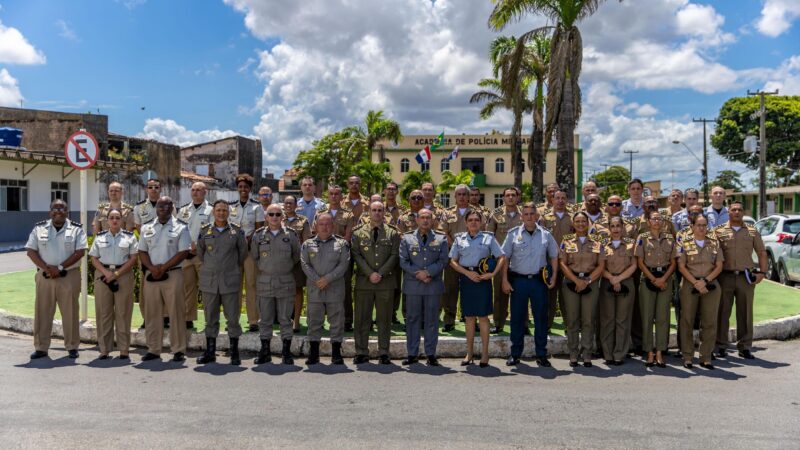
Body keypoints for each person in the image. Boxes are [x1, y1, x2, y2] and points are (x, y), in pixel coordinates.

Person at [26, 199, 88, 359]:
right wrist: (48, 269)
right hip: (45, 277)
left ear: (67, 212)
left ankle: (72, 346)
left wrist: (59, 268)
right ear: (50, 212)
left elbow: (80, 252)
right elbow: (31, 251)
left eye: (62, 208)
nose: (58, 211)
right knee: (42, 312)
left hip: (68, 276)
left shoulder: (77, 229)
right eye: (55, 208)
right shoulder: (39, 228)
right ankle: (41, 347)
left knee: (71, 312)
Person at [501, 202, 558, 367]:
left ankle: (541, 354)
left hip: (539, 282)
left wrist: (553, 276)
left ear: (537, 216)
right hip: (518, 281)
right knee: (517, 319)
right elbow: (505, 258)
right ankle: (515, 354)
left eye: (532, 214)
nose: (529, 217)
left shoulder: (546, 235)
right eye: (526, 214)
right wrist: (504, 279)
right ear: (521, 217)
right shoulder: (512, 234)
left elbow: (554, 256)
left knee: (541, 318)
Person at [449, 209, 506, 368]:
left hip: (483, 279)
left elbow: (501, 256)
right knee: (468, 317)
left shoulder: (489, 238)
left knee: (483, 318)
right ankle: (469, 353)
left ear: (481, 222)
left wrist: (493, 274)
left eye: (476, 220)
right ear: (466, 223)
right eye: (470, 220)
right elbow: (453, 261)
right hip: (467, 279)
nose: (473, 222)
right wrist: (467, 273)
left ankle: (485, 354)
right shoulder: (459, 239)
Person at [138, 196, 191, 362]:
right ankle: (154, 349)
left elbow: (183, 252)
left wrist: (163, 267)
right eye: (160, 206)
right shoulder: (146, 227)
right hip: (152, 275)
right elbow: (142, 251)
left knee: (176, 313)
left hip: (173, 274)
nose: (163, 209)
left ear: (172, 207)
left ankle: (178, 349)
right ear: (156, 208)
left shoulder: (181, 227)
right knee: (152, 313)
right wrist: (153, 268)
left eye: (167, 206)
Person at [196, 200, 247, 365]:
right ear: (213, 212)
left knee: (232, 318)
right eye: (218, 210)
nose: (221, 213)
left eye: (224, 210)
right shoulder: (205, 231)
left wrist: (229, 267)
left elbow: (242, 253)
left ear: (229, 213)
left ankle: (234, 352)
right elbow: (200, 253)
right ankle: (210, 352)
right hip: (210, 281)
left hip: (229, 280)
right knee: (210, 318)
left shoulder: (236, 232)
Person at [714, 201, 767, 360]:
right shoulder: (718, 231)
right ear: (728, 212)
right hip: (725, 276)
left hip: (746, 277)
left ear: (743, 212)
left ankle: (745, 346)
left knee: (745, 313)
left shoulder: (752, 231)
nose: (736, 212)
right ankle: (721, 345)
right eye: (733, 209)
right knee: (722, 312)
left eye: (739, 210)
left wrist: (762, 273)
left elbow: (762, 252)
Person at [251, 203, 301, 365]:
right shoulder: (258, 235)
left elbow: (296, 256)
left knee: (285, 319)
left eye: (277, 214)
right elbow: (255, 257)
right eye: (271, 214)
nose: (274, 217)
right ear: (266, 217)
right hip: (265, 281)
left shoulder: (291, 235)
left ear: (282, 217)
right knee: (265, 319)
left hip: (285, 281)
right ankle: (265, 351)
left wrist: (281, 268)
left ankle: (286, 352)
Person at [351, 201, 400, 364]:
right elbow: (356, 255)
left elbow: (394, 255)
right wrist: (370, 273)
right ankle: (361, 352)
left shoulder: (393, 233)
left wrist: (380, 273)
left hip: (385, 283)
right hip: (364, 282)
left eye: (380, 210)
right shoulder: (358, 233)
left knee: (384, 320)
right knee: (361, 319)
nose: (377, 213)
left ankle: (384, 352)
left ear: (384, 213)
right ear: (368, 212)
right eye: (374, 210)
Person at [399, 208, 448, 366]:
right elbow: (403, 261)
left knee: (432, 320)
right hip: (413, 286)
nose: (425, 220)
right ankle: (412, 353)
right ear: (417, 220)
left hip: (432, 285)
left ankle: (431, 353)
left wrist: (428, 273)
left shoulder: (441, 239)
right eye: (422, 217)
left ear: (433, 220)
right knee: (412, 319)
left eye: (428, 217)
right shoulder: (407, 238)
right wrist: (418, 274)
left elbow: (443, 260)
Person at [300, 213, 351, 365]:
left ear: (333, 226)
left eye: (328, 224)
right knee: (314, 321)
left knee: (337, 321)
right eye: (321, 224)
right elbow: (304, 264)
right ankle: (314, 354)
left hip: (334, 288)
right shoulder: (307, 244)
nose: (325, 227)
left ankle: (336, 353)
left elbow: (344, 265)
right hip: (315, 289)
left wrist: (327, 279)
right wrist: (318, 280)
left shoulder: (342, 244)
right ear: (316, 226)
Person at [88, 209, 138, 360]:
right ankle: (104, 349)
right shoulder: (100, 237)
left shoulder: (129, 237)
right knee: (104, 313)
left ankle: (124, 349)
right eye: (111, 218)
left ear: (122, 220)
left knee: (123, 313)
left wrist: (116, 274)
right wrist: (106, 273)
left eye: (117, 218)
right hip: (103, 276)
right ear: (107, 220)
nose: (114, 220)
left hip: (123, 275)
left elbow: (133, 258)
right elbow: (94, 258)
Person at [559, 211, 605, 367]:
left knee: (588, 320)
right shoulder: (566, 241)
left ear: (588, 223)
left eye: (583, 221)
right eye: (577, 221)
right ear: (573, 223)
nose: (580, 224)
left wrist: (587, 280)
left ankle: (586, 353)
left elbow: (601, 265)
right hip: (571, 282)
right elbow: (563, 263)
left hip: (590, 282)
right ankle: (573, 353)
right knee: (572, 320)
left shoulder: (597, 242)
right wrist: (576, 280)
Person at [677, 215, 723, 369]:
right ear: (692, 226)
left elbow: (719, 266)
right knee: (687, 321)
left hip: (710, 284)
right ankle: (688, 356)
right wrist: (696, 282)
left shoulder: (714, 243)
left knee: (709, 322)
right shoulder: (684, 242)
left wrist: (705, 281)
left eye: (704, 225)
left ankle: (706, 356)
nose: (701, 228)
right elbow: (681, 266)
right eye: (698, 225)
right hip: (690, 284)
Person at [635, 211, 677, 368]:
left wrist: (663, 279)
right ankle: (649, 352)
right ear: (648, 221)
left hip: (665, 279)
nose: (657, 221)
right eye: (654, 219)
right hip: (648, 279)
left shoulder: (670, 238)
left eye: (660, 219)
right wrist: (654, 279)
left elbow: (673, 262)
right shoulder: (642, 238)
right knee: (647, 317)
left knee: (662, 317)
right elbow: (640, 262)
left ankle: (659, 351)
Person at [597, 216, 637, 365]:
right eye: (612, 226)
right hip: (607, 281)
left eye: (618, 226)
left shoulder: (630, 244)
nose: (615, 229)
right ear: (609, 228)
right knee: (608, 319)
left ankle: (619, 353)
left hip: (626, 282)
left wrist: (619, 279)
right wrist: (612, 279)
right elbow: (599, 265)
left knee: (622, 319)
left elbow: (634, 265)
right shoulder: (602, 244)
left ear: (623, 227)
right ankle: (607, 353)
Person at [228, 173, 265, 332]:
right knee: (234, 286)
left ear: (250, 189)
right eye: (240, 187)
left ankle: (253, 320)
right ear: (237, 188)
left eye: (246, 187)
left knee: (251, 285)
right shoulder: (231, 206)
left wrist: (248, 241)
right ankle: (233, 319)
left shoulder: (257, 207)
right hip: (233, 252)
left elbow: (259, 230)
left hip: (250, 251)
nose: (243, 189)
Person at [175, 182, 213, 330]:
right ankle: (188, 318)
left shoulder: (210, 210)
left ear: (205, 192)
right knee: (187, 288)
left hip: (203, 255)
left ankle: (210, 319)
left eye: (199, 190)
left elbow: (212, 231)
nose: (195, 192)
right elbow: (177, 230)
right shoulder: (183, 210)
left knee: (207, 288)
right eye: (193, 190)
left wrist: (198, 245)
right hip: (185, 255)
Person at [441, 184, 477, 332]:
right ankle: (449, 320)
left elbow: (480, 231)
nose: (462, 197)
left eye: (464, 194)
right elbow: (444, 232)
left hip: (472, 258)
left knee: (470, 289)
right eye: (459, 194)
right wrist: (457, 247)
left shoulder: (476, 213)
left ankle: (471, 320)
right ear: (455, 197)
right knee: (450, 289)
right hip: (453, 257)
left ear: (469, 196)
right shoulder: (447, 213)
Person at [320, 185, 357, 331]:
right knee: (323, 286)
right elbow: (317, 234)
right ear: (327, 196)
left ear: (342, 197)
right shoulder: (321, 213)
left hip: (342, 257)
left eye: (337, 194)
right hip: (322, 257)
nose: (334, 196)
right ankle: (321, 319)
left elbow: (348, 237)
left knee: (345, 288)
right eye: (331, 194)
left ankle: (347, 320)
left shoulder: (349, 215)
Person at [487, 187, 523, 334]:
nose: (510, 198)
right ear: (503, 198)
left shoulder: (524, 214)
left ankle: (523, 323)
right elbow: (489, 235)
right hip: (501, 260)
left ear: (518, 197)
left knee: (521, 294)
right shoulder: (495, 214)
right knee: (500, 294)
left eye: (513, 195)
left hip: (520, 260)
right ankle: (498, 323)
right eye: (507, 195)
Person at [540, 190, 574, 332]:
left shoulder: (572, 218)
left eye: (563, 198)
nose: (560, 201)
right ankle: (547, 325)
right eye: (557, 198)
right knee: (549, 296)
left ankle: (569, 325)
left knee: (567, 297)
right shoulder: (544, 218)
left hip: (568, 263)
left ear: (567, 200)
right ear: (552, 200)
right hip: (549, 262)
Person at [282, 195, 312, 333]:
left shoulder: (303, 221)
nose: (288, 205)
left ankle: (297, 321)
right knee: (281, 291)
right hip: (280, 262)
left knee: (297, 290)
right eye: (286, 203)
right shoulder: (276, 218)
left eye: (291, 203)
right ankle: (284, 319)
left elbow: (306, 242)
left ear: (296, 205)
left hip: (297, 261)